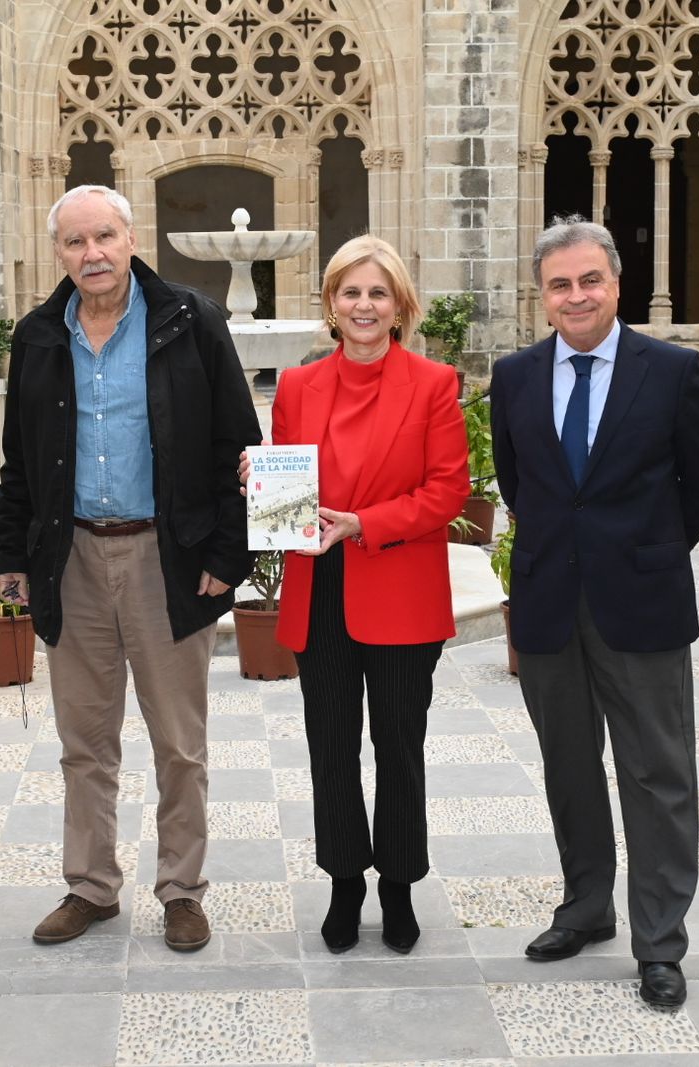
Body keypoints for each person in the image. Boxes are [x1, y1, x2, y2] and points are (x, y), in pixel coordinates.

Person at [0, 185, 260, 952]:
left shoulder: (189, 319)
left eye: (104, 236)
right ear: (59, 253)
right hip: (71, 556)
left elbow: (234, 445)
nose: (93, 254)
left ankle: (181, 889)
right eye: (76, 242)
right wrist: (13, 553)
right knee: (84, 738)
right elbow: (18, 461)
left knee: (179, 741)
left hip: (164, 556)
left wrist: (224, 556)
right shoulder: (39, 335)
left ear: (131, 236)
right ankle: (91, 886)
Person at [490, 215, 699, 1008]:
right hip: (551, 604)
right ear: (542, 295)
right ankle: (586, 907)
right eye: (560, 283)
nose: (577, 295)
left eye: (590, 279)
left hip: (644, 603)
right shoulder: (516, 376)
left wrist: (646, 552)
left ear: (617, 283)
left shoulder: (671, 370)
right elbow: (521, 485)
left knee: (657, 773)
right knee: (568, 765)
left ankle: (659, 940)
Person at [252, 235, 468, 954]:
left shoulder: (434, 384)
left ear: (400, 305)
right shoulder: (300, 388)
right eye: (350, 292)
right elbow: (289, 494)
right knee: (331, 747)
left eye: (378, 293)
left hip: (399, 583)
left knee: (400, 746)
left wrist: (364, 523)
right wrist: (264, 491)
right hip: (322, 588)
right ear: (331, 306)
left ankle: (400, 886)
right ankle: (345, 882)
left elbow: (447, 492)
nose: (364, 305)